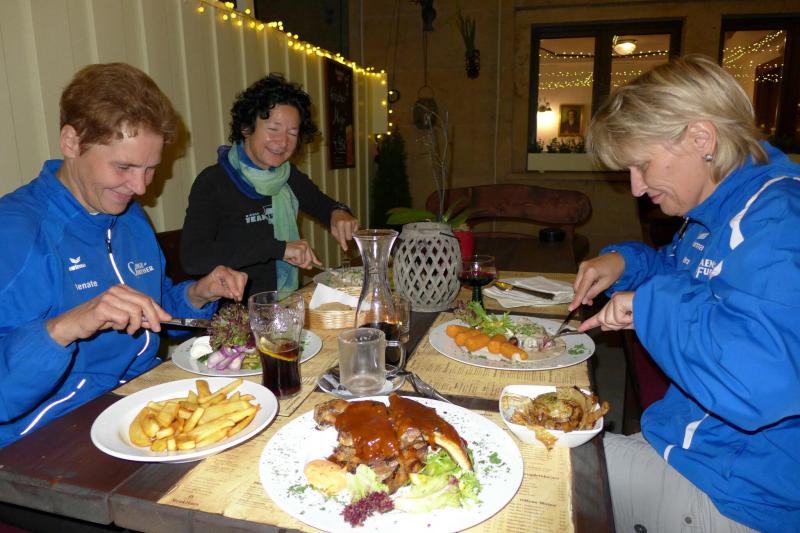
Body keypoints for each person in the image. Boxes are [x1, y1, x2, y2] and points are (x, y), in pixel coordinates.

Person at [572, 54, 800, 532]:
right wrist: (625, 263)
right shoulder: (716, 210)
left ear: (701, 138)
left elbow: (757, 382)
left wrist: (650, 305)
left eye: (642, 165)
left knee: (534, 462)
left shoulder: (781, 221)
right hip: (686, 447)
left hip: (738, 492)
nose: (636, 188)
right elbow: (680, 275)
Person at [0, 63, 247, 448]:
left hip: (141, 404)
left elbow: (153, 312)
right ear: (71, 142)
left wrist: (198, 294)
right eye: (124, 167)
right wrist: (67, 326)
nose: (140, 187)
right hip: (48, 439)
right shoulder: (15, 232)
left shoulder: (128, 216)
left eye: (150, 169)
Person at [180, 73, 359, 298]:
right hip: (235, 310)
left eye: (292, 133)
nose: (283, 142)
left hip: (283, 305)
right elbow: (194, 257)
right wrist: (278, 248)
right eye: (274, 129)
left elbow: (323, 206)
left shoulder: (287, 175)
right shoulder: (213, 182)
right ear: (246, 128)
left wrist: (338, 213)